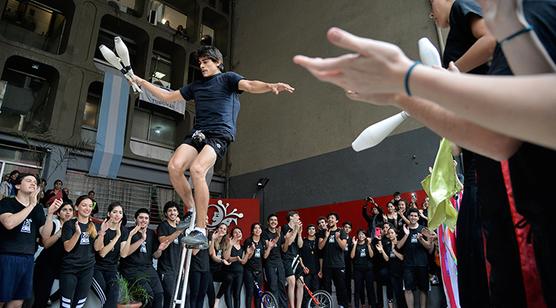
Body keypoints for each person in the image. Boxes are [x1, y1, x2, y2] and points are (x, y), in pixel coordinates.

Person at [132, 46, 294, 248]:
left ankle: (200, 229)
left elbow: (250, 85)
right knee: (174, 167)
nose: (202, 65)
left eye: (206, 61)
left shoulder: (228, 79)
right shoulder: (196, 86)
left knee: (198, 169)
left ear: (217, 62)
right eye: (199, 63)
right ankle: (191, 208)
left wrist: (270, 86)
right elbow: (168, 97)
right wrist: (143, 82)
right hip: (199, 132)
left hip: (219, 133)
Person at [0, 173, 58, 307]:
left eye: (35, 182)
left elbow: (45, 235)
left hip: (27, 258)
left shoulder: (37, 208)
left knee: (17, 302)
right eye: (29, 180)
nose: (33, 183)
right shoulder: (7, 202)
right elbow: (9, 223)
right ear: (18, 185)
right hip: (6, 256)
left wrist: (49, 214)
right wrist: (31, 205)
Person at [119, 208, 170, 308]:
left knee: (159, 294)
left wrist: (160, 250)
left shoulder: (151, 233)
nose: (144, 220)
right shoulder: (128, 231)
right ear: (135, 219)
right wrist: (141, 240)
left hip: (148, 268)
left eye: (146, 218)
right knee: (148, 295)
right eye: (141, 217)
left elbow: (155, 256)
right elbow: (125, 253)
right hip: (131, 269)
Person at [33, 202, 73, 308]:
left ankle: (50, 299)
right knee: (40, 299)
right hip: (45, 265)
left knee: (70, 286)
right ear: (59, 213)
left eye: (70, 210)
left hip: (62, 266)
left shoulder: (75, 227)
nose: (68, 212)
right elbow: (46, 244)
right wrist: (61, 231)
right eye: (64, 210)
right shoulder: (54, 223)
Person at [59, 195, 97, 308]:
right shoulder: (69, 224)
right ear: (76, 207)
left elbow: (98, 249)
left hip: (87, 269)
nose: (87, 208)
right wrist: (77, 234)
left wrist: (102, 234)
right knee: (66, 304)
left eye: (90, 206)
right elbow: (67, 248)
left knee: (79, 304)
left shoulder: (94, 226)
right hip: (70, 269)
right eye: (84, 205)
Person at [92, 202, 128, 308]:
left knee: (114, 289)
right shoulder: (101, 227)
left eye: (120, 213)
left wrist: (129, 236)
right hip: (96, 267)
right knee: (103, 291)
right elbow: (102, 253)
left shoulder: (124, 230)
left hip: (112, 268)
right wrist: (117, 237)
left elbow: (124, 254)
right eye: (115, 212)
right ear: (109, 214)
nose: (117, 215)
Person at [397, 209, 432, 308]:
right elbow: (398, 246)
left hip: (422, 264)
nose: (413, 217)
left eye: (415, 216)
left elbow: (429, 247)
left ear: (418, 217)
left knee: (423, 289)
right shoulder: (403, 229)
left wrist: (421, 240)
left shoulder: (423, 229)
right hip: (408, 265)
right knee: (408, 289)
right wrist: (406, 235)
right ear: (408, 217)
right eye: (411, 215)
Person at [156, 201, 187, 308]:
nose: (172, 213)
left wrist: (182, 268)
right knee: (170, 297)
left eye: (174, 210)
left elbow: (182, 249)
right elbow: (163, 241)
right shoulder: (163, 226)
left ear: (178, 212)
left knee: (180, 297)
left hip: (178, 269)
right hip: (166, 270)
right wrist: (178, 232)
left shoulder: (179, 228)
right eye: (169, 210)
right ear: (165, 214)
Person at [318, 212, 348, 308]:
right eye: (329, 218)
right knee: (327, 288)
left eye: (332, 218)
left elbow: (343, 247)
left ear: (336, 221)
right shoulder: (323, 232)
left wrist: (338, 238)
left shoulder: (342, 231)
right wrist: (326, 236)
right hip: (327, 265)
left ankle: (342, 306)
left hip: (339, 265)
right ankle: (328, 306)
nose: (330, 219)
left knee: (341, 287)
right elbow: (320, 247)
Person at [262, 213, 287, 307]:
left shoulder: (280, 233)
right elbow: (266, 249)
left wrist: (287, 239)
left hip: (279, 261)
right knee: (273, 285)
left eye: (275, 220)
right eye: (271, 220)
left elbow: (284, 249)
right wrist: (275, 239)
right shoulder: (264, 233)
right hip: (269, 262)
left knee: (282, 285)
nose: (273, 221)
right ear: (268, 222)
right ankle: (274, 306)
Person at [281, 211, 304, 308]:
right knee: (291, 281)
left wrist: (299, 233)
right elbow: (288, 242)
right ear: (291, 218)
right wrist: (295, 230)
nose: (299, 217)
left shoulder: (297, 228)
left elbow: (300, 245)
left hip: (296, 258)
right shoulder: (285, 227)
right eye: (296, 216)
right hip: (287, 258)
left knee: (301, 282)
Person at [223, 227, 249, 308]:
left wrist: (248, 253)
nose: (238, 234)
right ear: (232, 235)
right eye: (235, 232)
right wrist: (236, 258)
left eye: (239, 232)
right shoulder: (228, 244)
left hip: (239, 273)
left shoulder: (243, 247)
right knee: (228, 292)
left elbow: (243, 262)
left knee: (237, 294)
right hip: (229, 272)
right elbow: (226, 258)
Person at [208, 223, 232, 308]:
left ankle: (218, 298)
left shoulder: (225, 241)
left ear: (226, 232)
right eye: (221, 228)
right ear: (217, 229)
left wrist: (230, 245)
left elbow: (226, 257)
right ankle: (213, 304)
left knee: (229, 277)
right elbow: (212, 255)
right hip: (209, 270)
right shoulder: (211, 237)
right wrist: (213, 240)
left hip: (218, 270)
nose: (222, 230)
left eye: (224, 229)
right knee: (211, 293)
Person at [350, 229, 375, 308]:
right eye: (359, 234)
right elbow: (351, 256)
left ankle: (372, 305)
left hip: (368, 270)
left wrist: (368, 244)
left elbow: (371, 256)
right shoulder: (355, 245)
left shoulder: (369, 244)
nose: (361, 236)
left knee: (370, 288)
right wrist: (354, 244)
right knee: (357, 289)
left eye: (363, 234)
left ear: (365, 236)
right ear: (357, 235)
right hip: (358, 270)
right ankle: (358, 305)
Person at [243, 223, 266, 308]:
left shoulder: (262, 241)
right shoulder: (248, 241)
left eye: (259, 228)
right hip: (249, 270)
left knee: (258, 293)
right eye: (255, 228)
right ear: (252, 231)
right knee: (250, 293)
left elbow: (264, 256)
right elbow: (247, 257)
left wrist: (270, 248)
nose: (257, 230)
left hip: (259, 271)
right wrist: (252, 250)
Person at [300, 224, 320, 306]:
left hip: (316, 270)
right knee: (306, 292)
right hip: (306, 271)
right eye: (309, 229)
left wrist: (321, 270)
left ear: (315, 231)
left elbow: (321, 257)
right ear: (307, 231)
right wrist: (303, 267)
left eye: (313, 229)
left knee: (315, 291)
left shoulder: (318, 241)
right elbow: (299, 256)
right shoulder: (303, 241)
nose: (311, 230)